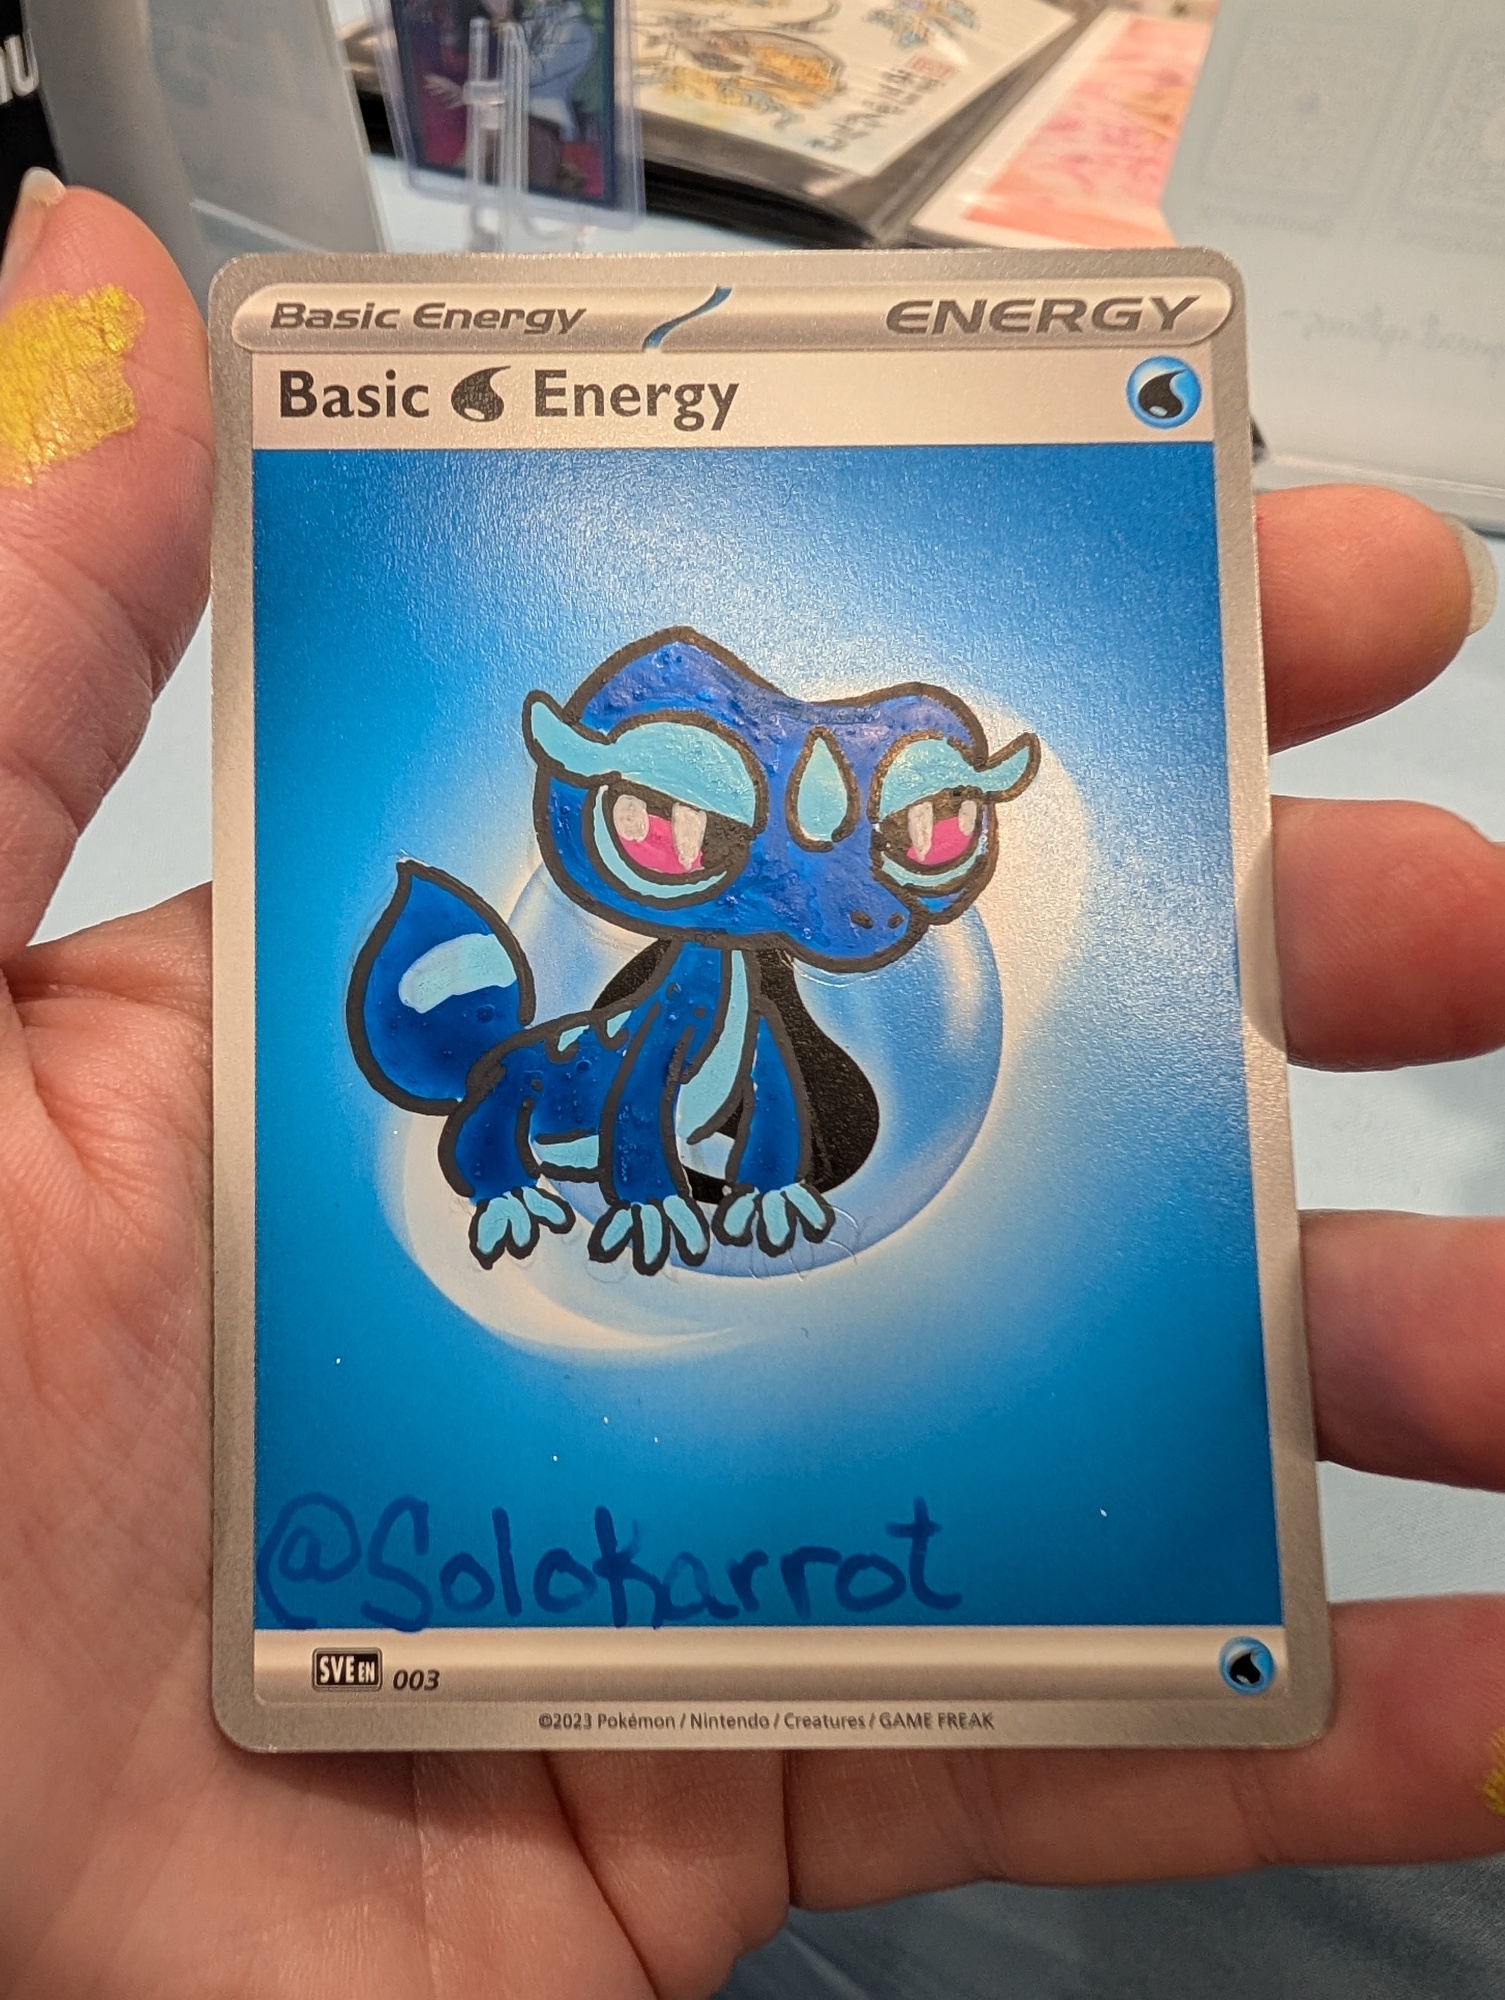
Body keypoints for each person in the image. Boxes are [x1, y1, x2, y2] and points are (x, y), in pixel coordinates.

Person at [0, 174, 1500, 1996]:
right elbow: (642, 1079)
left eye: (916, 833)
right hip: (539, 1195)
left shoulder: (805, 976)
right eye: (678, 822)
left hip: (797, 1523)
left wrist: (769, 1176)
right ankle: (523, 1170)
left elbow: (772, 1081)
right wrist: (588, 1181)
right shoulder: (633, 973)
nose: (813, 886)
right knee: (554, 1090)